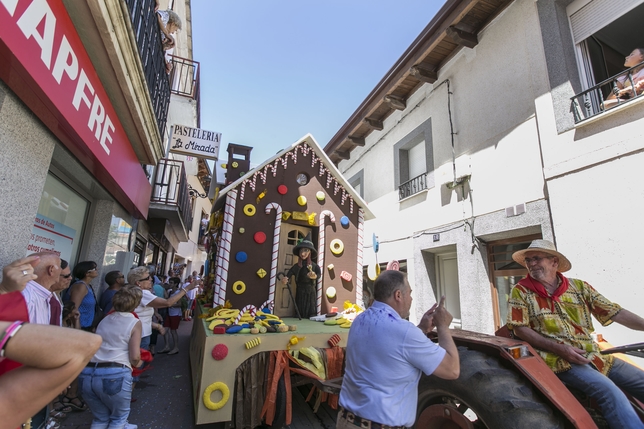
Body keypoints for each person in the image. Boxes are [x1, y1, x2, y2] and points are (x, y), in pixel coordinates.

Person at [507, 239, 644, 429]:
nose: (531, 264)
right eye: (529, 260)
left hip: (594, 355)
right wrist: (560, 349)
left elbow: (615, 312)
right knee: (610, 392)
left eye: (536, 259)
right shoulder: (520, 291)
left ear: (554, 262)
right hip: (558, 361)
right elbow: (519, 328)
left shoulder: (579, 287)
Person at [337, 270, 460, 428]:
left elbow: (389, 349)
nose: (411, 298)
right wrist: (443, 326)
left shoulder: (360, 320)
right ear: (398, 295)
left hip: (346, 421)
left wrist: (421, 329)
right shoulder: (405, 332)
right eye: (409, 292)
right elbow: (452, 369)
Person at [0, 256, 102, 429]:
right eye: (66, 275)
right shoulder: (27, 295)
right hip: (21, 372)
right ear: (52, 270)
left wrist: (6, 292)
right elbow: (86, 345)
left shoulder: (50, 296)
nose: (70, 279)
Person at [79, 286, 142, 429]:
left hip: (88, 373)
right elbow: (135, 356)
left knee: (100, 419)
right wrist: (139, 362)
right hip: (115, 373)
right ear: (136, 304)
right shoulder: (134, 323)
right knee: (118, 418)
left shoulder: (104, 319)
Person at [278, 234, 321, 318]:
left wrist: (314, 276)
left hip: (310, 290)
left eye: (305, 250)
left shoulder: (315, 266)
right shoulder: (296, 267)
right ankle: (299, 314)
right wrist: (285, 279)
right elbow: (288, 275)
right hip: (300, 290)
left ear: (310, 252)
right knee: (300, 305)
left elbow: (318, 275)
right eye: (301, 251)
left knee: (311, 305)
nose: (303, 253)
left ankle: (311, 315)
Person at [21, 251, 61, 325]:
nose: (61, 270)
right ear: (51, 269)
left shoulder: (43, 296)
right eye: (60, 266)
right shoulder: (27, 297)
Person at [67, 261, 100, 331]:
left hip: (87, 327)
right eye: (94, 268)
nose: (97, 269)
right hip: (79, 327)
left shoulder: (88, 286)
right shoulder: (81, 286)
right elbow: (73, 308)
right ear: (87, 273)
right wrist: (76, 327)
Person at [159, 277, 183, 355]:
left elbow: (179, 304)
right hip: (170, 313)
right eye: (170, 282)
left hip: (175, 314)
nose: (170, 284)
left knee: (173, 331)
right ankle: (167, 346)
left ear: (176, 284)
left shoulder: (178, 293)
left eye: (172, 283)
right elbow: (166, 299)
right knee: (165, 329)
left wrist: (171, 305)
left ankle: (176, 347)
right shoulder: (170, 291)